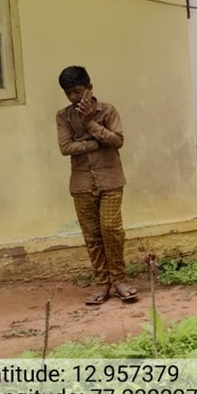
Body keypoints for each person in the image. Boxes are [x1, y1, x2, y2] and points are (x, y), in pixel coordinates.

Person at [56, 66, 138, 305]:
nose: (73, 98)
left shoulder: (108, 111)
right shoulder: (63, 117)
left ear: (89, 88)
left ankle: (120, 280)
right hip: (81, 184)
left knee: (111, 229)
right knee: (92, 236)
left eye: (77, 91)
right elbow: (65, 148)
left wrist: (90, 125)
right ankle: (103, 283)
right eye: (68, 93)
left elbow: (118, 140)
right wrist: (97, 143)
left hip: (110, 180)